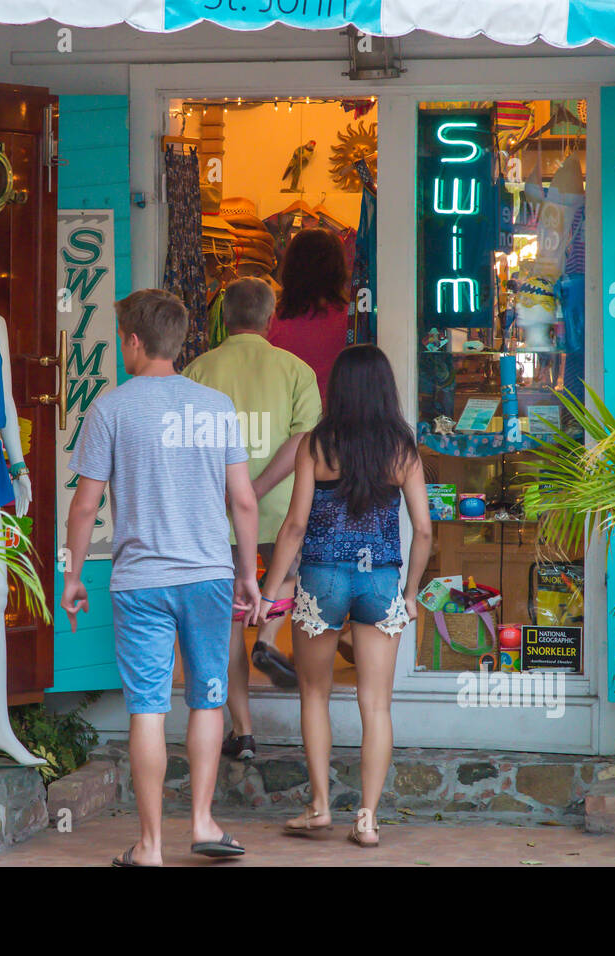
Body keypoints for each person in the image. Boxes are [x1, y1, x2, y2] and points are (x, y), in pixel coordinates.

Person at [62, 289, 263, 867]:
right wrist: (248, 574)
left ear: (132, 341)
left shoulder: (111, 409)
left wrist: (75, 574)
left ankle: (149, 846)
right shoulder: (217, 406)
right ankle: (202, 822)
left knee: (147, 706)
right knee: (208, 699)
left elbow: (84, 507)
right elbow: (244, 503)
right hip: (208, 575)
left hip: (140, 580)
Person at [259, 345, 433, 848]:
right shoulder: (402, 448)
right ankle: (367, 818)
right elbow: (422, 531)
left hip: (322, 578)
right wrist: (411, 593)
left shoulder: (316, 444)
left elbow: (294, 526)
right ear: (384, 388)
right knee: (376, 704)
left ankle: (318, 808)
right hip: (380, 578)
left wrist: (271, 592)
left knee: (314, 694)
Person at [183, 277, 322, 760]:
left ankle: (241, 732)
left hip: (216, 514)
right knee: (292, 576)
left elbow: (189, 446)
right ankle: (267, 634)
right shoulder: (295, 370)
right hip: (282, 510)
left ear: (224, 317)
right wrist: (259, 488)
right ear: (270, 319)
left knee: (223, 621)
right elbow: (305, 439)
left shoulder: (198, 371)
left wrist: (232, 491)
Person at [269, 227, 350, 405]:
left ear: (291, 268)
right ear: (337, 269)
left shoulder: (271, 321)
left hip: (286, 420)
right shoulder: (351, 321)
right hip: (337, 419)